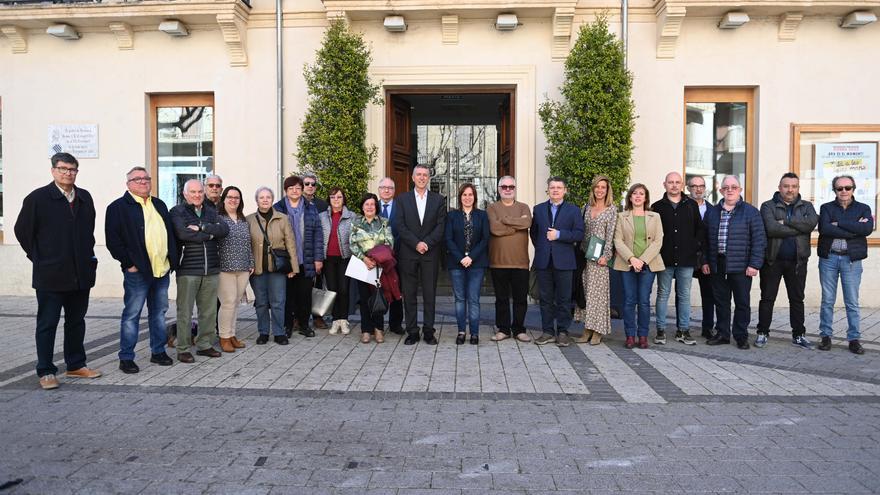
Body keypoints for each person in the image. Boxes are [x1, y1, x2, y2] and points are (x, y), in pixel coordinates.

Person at [14, 152, 102, 389]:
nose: (68, 173)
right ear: (53, 170)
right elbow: (22, 232)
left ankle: (76, 364)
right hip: (50, 274)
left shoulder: (84, 198)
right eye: (63, 169)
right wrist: (41, 258)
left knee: (76, 321)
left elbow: (88, 231)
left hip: (80, 273)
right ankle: (46, 371)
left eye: (72, 169)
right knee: (47, 323)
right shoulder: (38, 198)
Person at [105, 166, 176, 374]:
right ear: (128, 184)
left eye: (146, 178)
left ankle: (158, 351)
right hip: (138, 272)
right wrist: (129, 264)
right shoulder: (118, 207)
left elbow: (169, 234)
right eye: (137, 179)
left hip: (161, 270)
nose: (143, 182)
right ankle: (126, 357)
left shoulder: (159, 204)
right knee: (132, 314)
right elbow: (113, 240)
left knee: (159, 313)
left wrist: (171, 259)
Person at [701, 175, 766, 350]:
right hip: (718, 264)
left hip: (742, 266)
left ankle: (741, 336)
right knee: (721, 302)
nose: (730, 190)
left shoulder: (751, 212)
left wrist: (754, 264)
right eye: (726, 187)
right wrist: (705, 261)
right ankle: (722, 334)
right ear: (720, 190)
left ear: (740, 190)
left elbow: (759, 240)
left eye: (734, 187)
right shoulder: (712, 212)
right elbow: (705, 240)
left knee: (742, 303)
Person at [757, 173, 818, 349]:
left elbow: (811, 223)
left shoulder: (807, 206)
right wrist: (799, 229)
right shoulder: (768, 206)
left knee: (797, 299)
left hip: (798, 261)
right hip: (772, 260)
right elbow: (771, 228)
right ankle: (762, 332)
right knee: (767, 298)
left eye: (794, 186)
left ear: (798, 188)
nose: (790, 189)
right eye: (786, 186)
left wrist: (787, 221)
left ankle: (799, 335)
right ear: (779, 187)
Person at [170, 179, 229, 362]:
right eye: (193, 192)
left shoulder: (211, 210)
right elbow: (183, 233)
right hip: (188, 269)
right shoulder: (177, 211)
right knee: (185, 312)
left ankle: (204, 345)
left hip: (210, 268)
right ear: (185, 194)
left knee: (209, 311)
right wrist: (210, 234)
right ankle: (183, 348)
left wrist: (203, 228)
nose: (197, 195)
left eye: (199, 192)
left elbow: (224, 230)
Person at [817, 175, 873, 355]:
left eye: (847, 188)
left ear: (853, 189)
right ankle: (825, 336)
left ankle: (854, 339)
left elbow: (866, 230)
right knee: (827, 300)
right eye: (839, 188)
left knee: (852, 301)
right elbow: (825, 229)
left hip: (851, 259)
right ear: (834, 190)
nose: (844, 191)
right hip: (829, 259)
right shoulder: (826, 208)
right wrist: (853, 229)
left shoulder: (864, 208)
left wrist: (839, 223)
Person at [393, 165, 447, 345]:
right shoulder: (402, 199)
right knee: (409, 294)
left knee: (430, 294)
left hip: (430, 254)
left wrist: (427, 243)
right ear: (412, 178)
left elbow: (441, 226)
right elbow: (399, 225)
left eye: (425, 175)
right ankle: (412, 331)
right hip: (408, 253)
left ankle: (429, 331)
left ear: (429, 178)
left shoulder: (438, 200)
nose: (422, 178)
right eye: (419, 175)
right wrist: (416, 243)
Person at [530, 176, 585, 347]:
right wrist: (543, 248)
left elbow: (579, 234)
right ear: (548, 190)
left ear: (565, 190)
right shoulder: (538, 209)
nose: (555, 190)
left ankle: (562, 331)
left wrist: (559, 235)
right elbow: (535, 234)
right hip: (543, 260)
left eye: (559, 187)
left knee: (564, 298)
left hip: (565, 261)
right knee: (545, 298)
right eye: (552, 187)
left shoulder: (573, 210)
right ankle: (547, 331)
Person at [651, 171, 705, 346]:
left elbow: (700, 229)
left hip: (686, 258)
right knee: (662, 294)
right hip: (664, 258)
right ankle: (660, 330)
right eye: (670, 182)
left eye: (677, 182)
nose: (674, 185)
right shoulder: (657, 207)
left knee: (684, 295)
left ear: (682, 185)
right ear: (664, 184)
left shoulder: (691, 205)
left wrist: (694, 246)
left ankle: (683, 330)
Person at [613, 184, 664, 349]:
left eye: (641, 194)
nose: (638, 196)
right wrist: (632, 259)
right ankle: (630, 335)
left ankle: (642, 336)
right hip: (627, 264)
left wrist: (642, 261)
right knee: (628, 301)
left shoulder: (655, 216)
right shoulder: (621, 217)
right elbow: (617, 241)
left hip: (648, 265)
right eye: (634, 193)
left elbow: (658, 241)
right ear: (630, 197)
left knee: (643, 301)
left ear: (646, 197)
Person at [247, 187, 299, 345]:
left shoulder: (282, 218)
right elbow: (246, 245)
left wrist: (294, 268)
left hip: (277, 268)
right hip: (257, 269)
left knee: (278, 301)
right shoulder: (248, 220)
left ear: (272, 199)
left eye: (268, 197)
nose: (265, 200)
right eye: (261, 197)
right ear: (257, 200)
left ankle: (279, 332)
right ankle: (263, 332)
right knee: (261, 302)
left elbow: (290, 243)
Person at [274, 175, 324, 337]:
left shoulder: (310, 207)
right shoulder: (278, 208)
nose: (294, 191)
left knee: (305, 295)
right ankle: (287, 326)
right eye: (291, 188)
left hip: (306, 258)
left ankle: (304, 325)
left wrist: (318, 258)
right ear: (286, 191)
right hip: (287, 260)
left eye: (297, 188)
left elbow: (318, 234)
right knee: (287, 295)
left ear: (302, 190)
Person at [487, 176, 532, 343]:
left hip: (520, 262)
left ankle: (519, 329)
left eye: (511, 187)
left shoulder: (523, 207)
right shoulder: (492, 208)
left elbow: (527, 222)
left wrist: (505, 220)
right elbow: (494, 228)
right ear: (499, 189)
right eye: (504, 186)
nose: (507, 189)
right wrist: (516, 225)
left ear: (515, 189)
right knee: (501, 298)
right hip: (498, 261)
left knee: (521, 298)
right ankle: (503, 329)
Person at [573, 175, 617, 345]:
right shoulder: (585, 207)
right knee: (585, 294)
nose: (600, 190)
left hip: (600, 259)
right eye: (597, 187)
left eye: (603, 187)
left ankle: (598, 330)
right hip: (584, 257)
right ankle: (586, 329)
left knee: (598, 296)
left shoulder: (611, 210)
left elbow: (611, 235)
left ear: (607, 190)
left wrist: (606, 256)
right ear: (593, 189)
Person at [446, 183, 490, 345]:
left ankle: (475, 333)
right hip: (456, 264)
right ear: (460, 198)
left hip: (477, 263)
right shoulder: (451, 216)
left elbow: (485, 239)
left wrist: (471, 257)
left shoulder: (482, 215)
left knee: (473, 299)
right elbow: (448, 239)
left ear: (475, 197)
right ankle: (461, 331)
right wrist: (461, 258)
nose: (467, 197)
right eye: (464, 195)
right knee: (459, 299)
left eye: (470, 194)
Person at [350, 193, 395, 343]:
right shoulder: (356, 223)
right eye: (366, 204)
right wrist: (364, 258)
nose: (369, 207)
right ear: (362, 207)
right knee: (364, 299)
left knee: (378, 297)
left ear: (376, 206)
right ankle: (366, 330)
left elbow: (390, 243)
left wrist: (376, 259)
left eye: (372, 204)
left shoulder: (384, 222)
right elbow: (352, 244)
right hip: (362, 266)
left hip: (379, 267)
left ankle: (379, 329)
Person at [216, 186, 255, 352]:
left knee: (235, 304)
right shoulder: (218, 219)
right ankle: (224, 337)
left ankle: (231, 335)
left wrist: (251, 262)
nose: (233, 200)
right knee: (227, 303)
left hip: (243, 268)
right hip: (224, 268)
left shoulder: (243, 220)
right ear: (223, 199)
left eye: (236, 197)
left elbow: (248, 244)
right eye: (230, 197)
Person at [319, 187, 355, 335]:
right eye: (333, 197)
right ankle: (335, 320)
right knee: (332, 290)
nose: (336, 200)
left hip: (345, 258)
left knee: (344, 290)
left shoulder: (352, 216)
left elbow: (356, 237)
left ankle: (344, 320)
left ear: (343, 199)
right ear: (329, 199)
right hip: (328, 260)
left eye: (339, 197)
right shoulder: (322, 216)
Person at [686, 176, 717, 339]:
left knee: (708, 294)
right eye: (694, 186)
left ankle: (707, 328)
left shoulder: (713, 210)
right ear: (688, 188)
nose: (698, 189)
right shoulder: (684, 208)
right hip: (686, 257)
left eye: (701, 186)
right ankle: (682, 327)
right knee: (682, 293)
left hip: (706, 259)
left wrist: (707, 259)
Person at [303, 172, 329, 330]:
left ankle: (318, 316)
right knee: (299, 286)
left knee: (318, 286)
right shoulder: (294, 203)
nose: (310, 186)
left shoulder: (322, 205)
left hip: (318, 250)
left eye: (313, 184)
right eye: (307, 183)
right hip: (301, 251)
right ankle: (298, 317)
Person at [378, 177, 404, 334]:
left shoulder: (401, 207)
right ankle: (378, 324)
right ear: (379, 190)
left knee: (396, 289)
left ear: (394, 191)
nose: (386, 190)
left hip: (398, 256)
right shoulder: (372, 206)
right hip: (377, 258)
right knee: (378, 289)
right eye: (383, 187)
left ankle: (396, 324)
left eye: (390, 188)